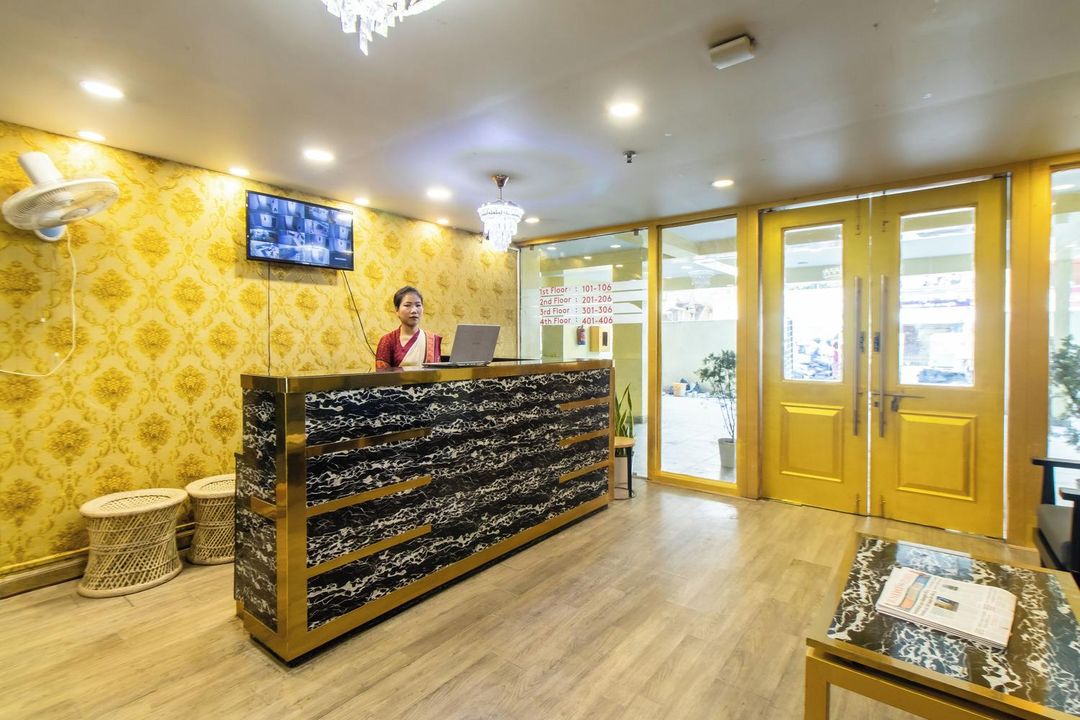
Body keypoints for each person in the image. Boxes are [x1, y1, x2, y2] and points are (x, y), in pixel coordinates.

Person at [375, 286, 442, 369]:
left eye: (418, 305)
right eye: (407, 305)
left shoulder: (432, 340)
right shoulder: (388, 340)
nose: (414, 310)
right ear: (397, 310)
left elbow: (437, 373)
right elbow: (382, 374)